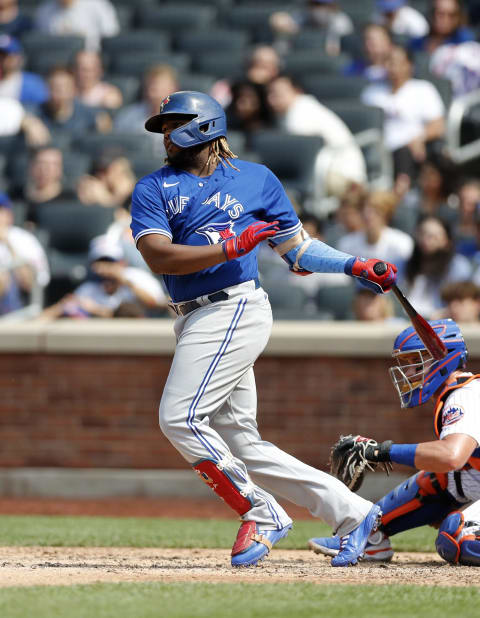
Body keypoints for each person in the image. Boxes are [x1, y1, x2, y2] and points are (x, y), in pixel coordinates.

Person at [130, 90, 398, 568]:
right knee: (243, 447)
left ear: (205, 125)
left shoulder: (255, 179)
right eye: (164, 125)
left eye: (175, 123)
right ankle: (359, 518)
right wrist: (230, 248)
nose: (167, 134)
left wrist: (354, 264)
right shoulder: (155, 186)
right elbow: (157, 255)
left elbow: (297, 250)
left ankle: (261, 510)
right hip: (194, 315)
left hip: (234, 308)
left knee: (180, 417)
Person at [308, 318, 480, 566]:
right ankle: (368, 536)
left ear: (444, 358)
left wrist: (381, 451)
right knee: (436, 479)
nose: (408, 373)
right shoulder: (460, 391)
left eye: (415, 362)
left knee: (457, 536)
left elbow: (451, 455)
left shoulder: (464, 396)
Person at [266, 74, 367, 198]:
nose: (271, 99)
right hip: (329, 171)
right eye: (270, 94)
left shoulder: (301, 113)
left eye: (277, 94)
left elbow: (300, 159)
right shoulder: (291, 112)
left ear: (296, 91)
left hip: (343, 175)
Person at [361, 44, 445, 182]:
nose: (392, 67)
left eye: (397, 62)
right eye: (388, 62)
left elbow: (438, 125)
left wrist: (419, 139)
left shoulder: (423, 89)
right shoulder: (371, 93)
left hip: (411, 150)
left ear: (409, 65)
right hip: (378, 150)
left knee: (406, 155)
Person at [38, 235, 166, 320]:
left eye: (109, 262)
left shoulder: (137, 277)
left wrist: (125, 281)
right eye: (100, 262)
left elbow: (159, 305)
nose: (104, 269)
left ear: (122, 263)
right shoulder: (89, 289)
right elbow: (60, 309)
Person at [402, 215, 472, 318]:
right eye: (422, 234)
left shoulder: (458, 266)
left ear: (446, 241)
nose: (425, 240)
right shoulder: (405, 265)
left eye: (432, 236)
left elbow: (462, 303)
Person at [337, 189, 414, 274]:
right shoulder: (346, 244)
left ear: (386, 214)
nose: (368, 215)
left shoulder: (402, 243)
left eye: (376, 211)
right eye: (365, 209)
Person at [0, 192, 50, 315]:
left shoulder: (24, 239)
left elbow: (32, 284)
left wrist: (8, 244)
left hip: (16, 304)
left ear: (9, 215)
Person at [113, 64, 178, 157]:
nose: (152, 93)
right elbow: (117, 143)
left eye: (157, 88)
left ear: (173, 88)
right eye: (149, 87)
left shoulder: (185, 119)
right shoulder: (129, 115)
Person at [30, 66, 107, 140]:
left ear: (73, 89)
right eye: (55, 88)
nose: (61, 92)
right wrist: (28, 123)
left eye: (65, 87)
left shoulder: (90, 115)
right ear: (47, 89)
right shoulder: (37, 112)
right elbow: (22, 113)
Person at [270, 0, 354, 57]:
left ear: (332, 6)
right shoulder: (301, 17)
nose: (320, 9)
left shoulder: (341, 21)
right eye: (316, 4)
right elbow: (280, 21)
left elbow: (339, 52)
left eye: (324, 5)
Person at [18, 146, 77, 225]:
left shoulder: (70, 199)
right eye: (40, 163)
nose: (45, 169)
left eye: (53, 164)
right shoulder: (16, 194)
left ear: (60, 169)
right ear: (31, 166)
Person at [34, 0, 120, 52]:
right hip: (57, 63)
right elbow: (42, 43)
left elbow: (111, 35)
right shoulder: (44, 10)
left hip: (90, 56)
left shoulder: (98, 5)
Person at [410, 0, 475, 55]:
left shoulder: (466, 43)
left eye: (452, 15)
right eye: (441, 14)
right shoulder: (417, 44)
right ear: (431, 14)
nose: (446, 20)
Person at [0, 35, 48, 105]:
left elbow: (40, 110)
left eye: (6, 56)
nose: (2, 60)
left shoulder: (32, 83)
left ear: (18, 57)